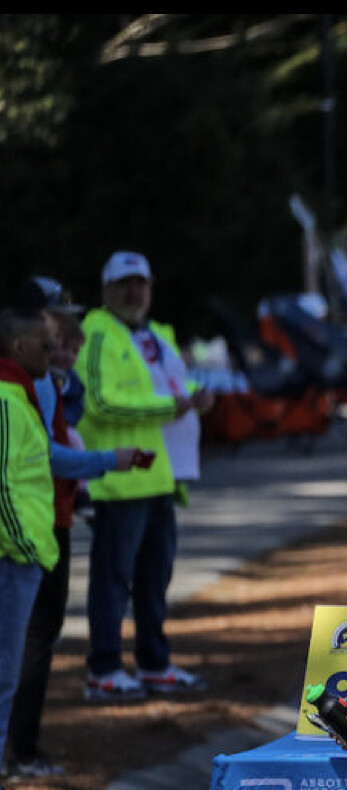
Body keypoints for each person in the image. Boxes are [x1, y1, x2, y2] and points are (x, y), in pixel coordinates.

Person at [5, 283, 146, 780]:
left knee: (29, 644)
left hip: (42, 530)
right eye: (52, 329)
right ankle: (18, 752)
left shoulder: (43, 381)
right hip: (31, 540)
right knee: (26, 647)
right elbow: (39, 461)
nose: (59, 339)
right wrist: (110, 461)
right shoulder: (25, 385)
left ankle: (20, 751)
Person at [78, 251, 213, 701]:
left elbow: (167, 387)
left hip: (160, 476)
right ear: (106, 289)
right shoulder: (95, 332)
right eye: (124, 284)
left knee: (155, 577)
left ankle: (154, 662)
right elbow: (100, 401)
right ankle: (104, 667)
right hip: (119, 478)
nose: (135, 292)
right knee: (113, 579)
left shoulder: (155, 335)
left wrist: (196, 394)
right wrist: (170, 407)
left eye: (141, 284)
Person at [0, 309, 61, 790]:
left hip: (22, 557)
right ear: (18, 348)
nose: (54, 354)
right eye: (45, 346)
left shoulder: (19, 394)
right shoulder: (5, 398)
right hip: (12, 559)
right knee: (3, 678)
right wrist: (25, 547)